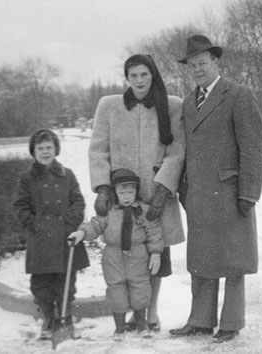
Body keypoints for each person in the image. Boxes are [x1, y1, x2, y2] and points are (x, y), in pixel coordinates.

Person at [169, 35, 262, 343]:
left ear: (215, 61)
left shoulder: (238, 94)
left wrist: (249, 192)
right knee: (202, 261)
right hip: (199, 195)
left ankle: (231, 323)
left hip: (230, 193)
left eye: (202, 63)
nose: (197, 69)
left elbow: (253, 148)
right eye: (192, 65)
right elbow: (184, 149)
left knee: (233, 262)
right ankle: (200, 320)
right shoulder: (187, 102)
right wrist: (184, 189)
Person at [89, 54, 186, 332]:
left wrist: (163, 190)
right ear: (127, 78)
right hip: (122, 196)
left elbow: (177, 151)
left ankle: (150, 313)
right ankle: (130, 314)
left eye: (144, 74)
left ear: (152, 75)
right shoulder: (110, 106)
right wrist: (103, 188)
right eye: (134, 76)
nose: (140, 81)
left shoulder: (171, 106)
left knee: (156, 254)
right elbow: (98, 149)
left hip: (156, 197)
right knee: (124, 256)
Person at [68, 168, 163, 341]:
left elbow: (154, 231)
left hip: (138, 255)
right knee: (116, 290)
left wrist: (156, 253)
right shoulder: (109, 211)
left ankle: (142, 325)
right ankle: (119, 328)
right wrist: (81, 233)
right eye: (122, 192)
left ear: (136, 191)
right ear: (115, 192)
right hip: (113, 256)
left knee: (140, 288)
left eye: (131, 192)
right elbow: (95, 225)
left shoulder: (144, 211)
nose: (127, 196)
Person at [13, 128, 89, 340]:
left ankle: (65, 319)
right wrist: (35, 225)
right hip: (41, 240)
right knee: (41, 286)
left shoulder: (68, 175)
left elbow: (78, 202)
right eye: (40, 148)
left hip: (65, 239)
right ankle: (49, 319)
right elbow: (20, 206)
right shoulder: (26, 178)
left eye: (49, 147)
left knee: (66, 284)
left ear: (56, 149)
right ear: (33, 151)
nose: (45, 152)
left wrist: (70, 223)